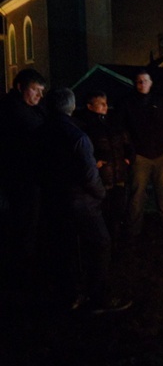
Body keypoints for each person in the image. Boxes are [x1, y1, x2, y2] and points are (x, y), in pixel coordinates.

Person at [40, 88, 130, 313]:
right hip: (80, 201)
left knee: (65, 248)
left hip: (52, 200)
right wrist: (100, 193)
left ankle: (69, 295)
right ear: (71, 106)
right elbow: (89, 174)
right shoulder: (78, 136)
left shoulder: (40, 132)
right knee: (100, 244)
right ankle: (97, 297)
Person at [115, 70, 163, 239]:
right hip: (140, 155)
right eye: (139, 81)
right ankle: (133, 229)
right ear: (135, 84)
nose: (142, 84)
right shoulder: (127, 103)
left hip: (162, 153)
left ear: (151, 83)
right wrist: (129, 150)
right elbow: (121, 128)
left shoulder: (160, 101)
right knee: (137, 193)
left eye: (145, 81)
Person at [0, 68, 47, 288]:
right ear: (20, 87)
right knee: (23, 226)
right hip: (21, 180)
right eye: (34, 90)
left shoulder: (31, 109)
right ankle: (22, 274)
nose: (39, 96)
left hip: (28, 177)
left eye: (41, 91)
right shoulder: (13, 111)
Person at [75, 91, 134, 245]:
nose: (105, 106)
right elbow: (84, 152)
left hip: (119, 174)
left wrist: (128, 159)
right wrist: (95, 163)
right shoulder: (85, 126)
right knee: (104, 211)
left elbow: (127, 142)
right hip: (102, 177)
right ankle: (105, 242)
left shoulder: (113, 122)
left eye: (105, 103)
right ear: (90, 106)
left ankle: (118, 240)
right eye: (100, 103)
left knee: (119, 209)